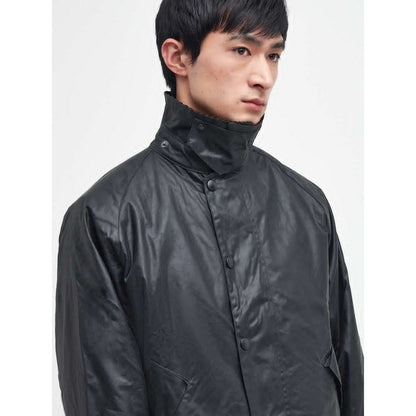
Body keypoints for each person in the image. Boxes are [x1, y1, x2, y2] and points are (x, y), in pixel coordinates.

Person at [55, 1, 364, 415]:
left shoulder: (307, 208)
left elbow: (347, 371)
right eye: (242, 50)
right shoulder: (107, 221)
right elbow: (105, 399)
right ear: (178, 56)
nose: (264, 77)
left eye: (274, 55)